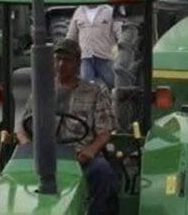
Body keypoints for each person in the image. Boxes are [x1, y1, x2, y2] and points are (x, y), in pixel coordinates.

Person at [18, 38, 115, 215]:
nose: (61, 64)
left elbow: (105, 131)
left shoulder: (95, 92)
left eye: (67, 60)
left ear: (78, 63)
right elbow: (22, 127)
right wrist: (26, 144)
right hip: (43, 155)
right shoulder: (42, 90)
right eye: (58, 59)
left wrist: (91, 150)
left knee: (103, 172)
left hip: (78, 157)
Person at [67, 3, 119, 89]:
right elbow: (71, 37)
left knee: (114, 86)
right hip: (86, 58)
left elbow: (119, 32)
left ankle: (116, 101)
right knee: (85, 87)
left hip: (105, 57)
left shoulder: (109, 11)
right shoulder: (79, 12)